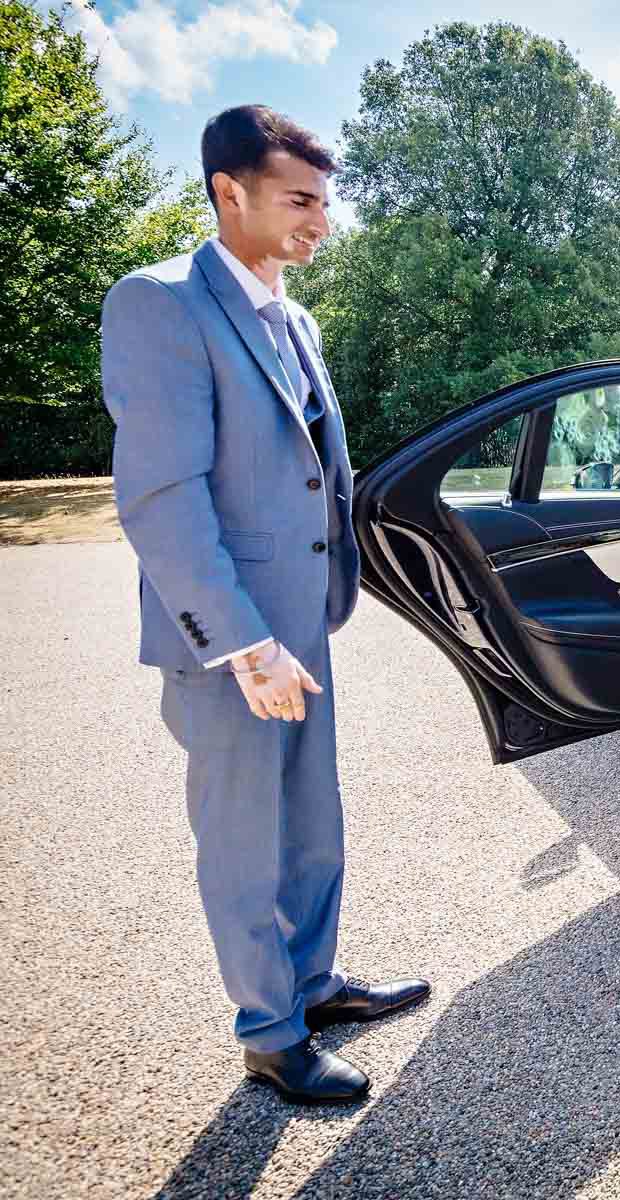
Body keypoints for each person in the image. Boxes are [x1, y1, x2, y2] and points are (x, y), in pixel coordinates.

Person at [101, 106, 428, 1106]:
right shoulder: (159, 304)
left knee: (310, 822)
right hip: (232, 640)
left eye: (325, 201)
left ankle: (314, 983)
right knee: (246, 838)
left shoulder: (297, 319)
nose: (320, 220)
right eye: (299, 199)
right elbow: (163, 498)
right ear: (228, 193)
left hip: (303, 625)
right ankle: (270, 1034)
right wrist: (244, 643)